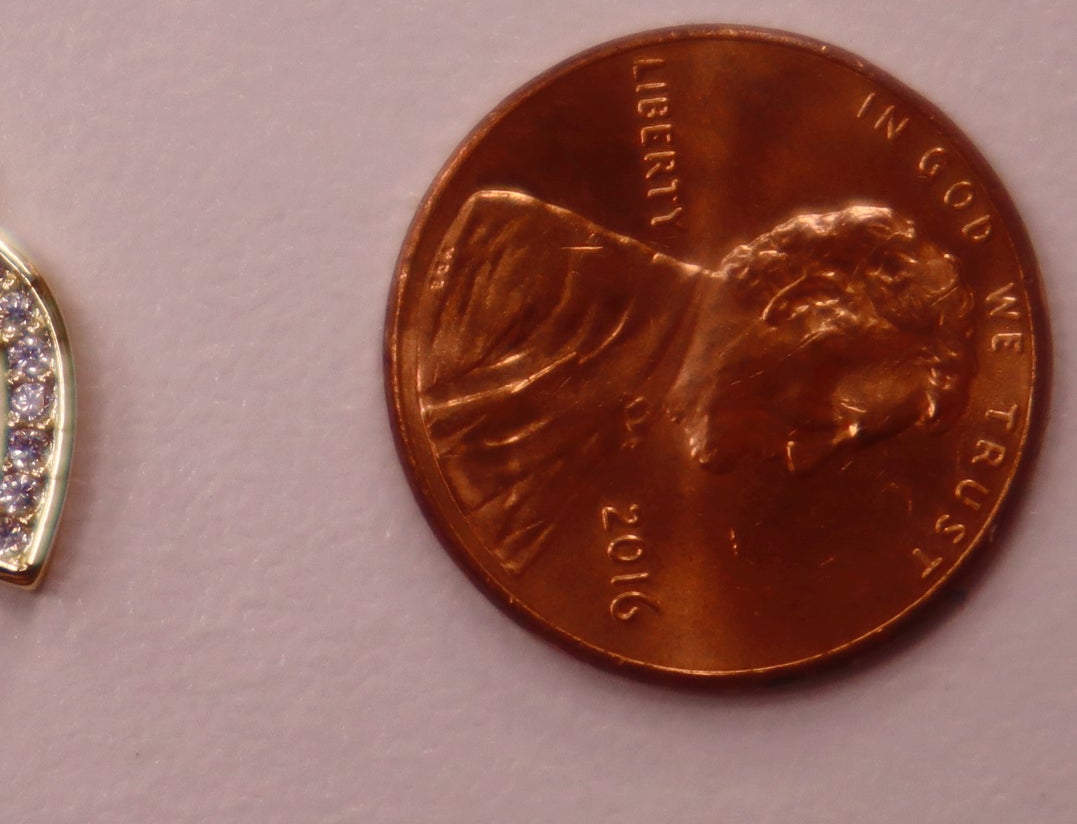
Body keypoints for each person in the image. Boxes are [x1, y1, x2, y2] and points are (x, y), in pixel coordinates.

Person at [415, 189, 974, 575]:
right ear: (801, 304)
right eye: (821, 419)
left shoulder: (611, 453)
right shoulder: (505, 250)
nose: (804, 462)